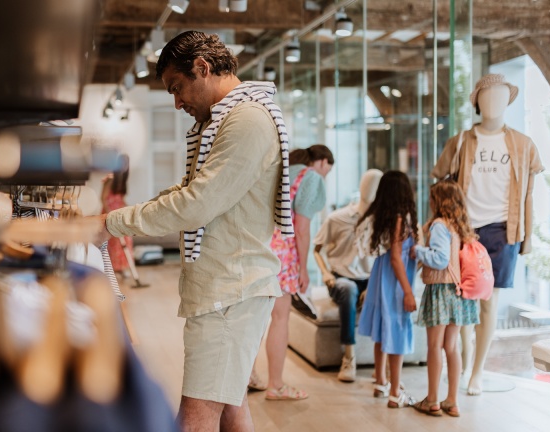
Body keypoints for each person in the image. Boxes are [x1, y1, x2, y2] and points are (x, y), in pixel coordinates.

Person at [91, 30, 292, 432]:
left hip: (229, 295)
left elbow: (196, 203)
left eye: (177, 88)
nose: (178, 101)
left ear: (203, 68)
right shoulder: (230, 119)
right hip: (227, 290)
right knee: (233, 410)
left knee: (194, 420)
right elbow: (190, 193)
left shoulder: (247, 120)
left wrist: (109, 222)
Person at [431, 73, 544, 395]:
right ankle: (464, 364)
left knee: (489, 303)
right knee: (463, 298)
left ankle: (477, 371)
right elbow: (438, 178)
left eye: (500, 94)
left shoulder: (523, 144)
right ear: (478, 101)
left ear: (509, 100)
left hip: (503, 228)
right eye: (487, 95)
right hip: (465, 227)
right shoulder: (462, 141)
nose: (493, 101)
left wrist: (528, 237)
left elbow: (529, 194)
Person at [249, 145, 333, 401]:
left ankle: (249, 375)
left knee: (253, 319)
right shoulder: (310, 178)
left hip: (257, 246)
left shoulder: (278, 169)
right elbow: (302, 228)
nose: (324, 176)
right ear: (320, 162)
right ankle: (276, 384)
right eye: (327, 169)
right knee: (280, 317)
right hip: (283, 253)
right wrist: (302, 267)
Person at [411, 180, 480, 417]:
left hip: (441, 291)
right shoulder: (460, 227)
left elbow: (440, 259)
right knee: (452, 346)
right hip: (459, 293)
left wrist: (418, 251)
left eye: (432, 198)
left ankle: (432, 400)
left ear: (439, 201)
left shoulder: (439, 225)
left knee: (434, 347)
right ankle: (452, 400)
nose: (429, 202)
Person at [355, 170, 418, 408]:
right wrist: (408, 291)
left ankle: (381, 381)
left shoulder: (384, 216)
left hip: (379, 279)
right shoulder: (401, 218)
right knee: (397, 333)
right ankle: (395, 393)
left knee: (382, 332)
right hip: (394, 282)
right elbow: (395, 257)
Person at [313, 168, 383, 383]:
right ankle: (349, 357)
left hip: (370, 279)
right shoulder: (338, 218)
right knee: (349, 289)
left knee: (386, 293)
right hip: (341, 278)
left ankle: (382, 364)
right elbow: (317, 249)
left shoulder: (381, 221)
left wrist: (373, 287)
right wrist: (325, 273)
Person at [101, 167, 133, 278]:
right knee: (113, 241)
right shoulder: (110, 180)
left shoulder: (123, 183)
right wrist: (109, 214)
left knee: (126, 239)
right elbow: (103, 198)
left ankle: (121, 268)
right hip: (109, 214)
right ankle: (112, 269)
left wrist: (131, 209)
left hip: (120, 215)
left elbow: (121, 200)